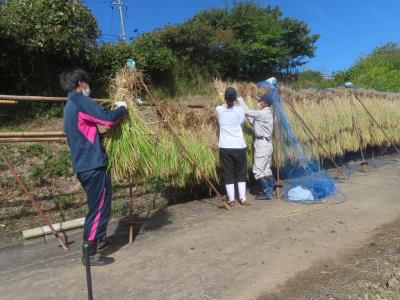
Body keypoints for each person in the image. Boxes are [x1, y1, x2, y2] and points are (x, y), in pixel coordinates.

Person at [60, 67, 128, 266]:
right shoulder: (80, 101)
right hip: (92, 164)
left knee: (98, 205)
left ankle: (99, 240)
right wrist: (123, 108)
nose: (88, 87)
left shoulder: (69, 106)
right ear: (80, 83)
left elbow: (84, 133)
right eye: (87, 83)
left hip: (84, 164)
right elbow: (108, 119)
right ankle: (88, 254)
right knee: (98, 208)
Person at [237, 92, 275, 200]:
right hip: (267, 144)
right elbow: (253, 121)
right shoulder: (266, 113)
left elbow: (247, 111)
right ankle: (271, 189)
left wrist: (239, 98)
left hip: (262, 145)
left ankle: (266, 192)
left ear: (265, 103)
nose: (258, 102)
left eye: (260, 101)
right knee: (266, 169)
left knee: (257, 171)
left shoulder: (263, 113)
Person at [216, 87, 248, 207]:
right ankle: (243, 198)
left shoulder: (219, 110)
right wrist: (239, 98)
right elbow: (243, 109)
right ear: (235, 99)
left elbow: (222, 105)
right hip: (239, 146)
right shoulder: (240, 111)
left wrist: (222, 95)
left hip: (225, 147)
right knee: (241, 173)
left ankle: (231, 200)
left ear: (225, 98)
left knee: (228, 173)